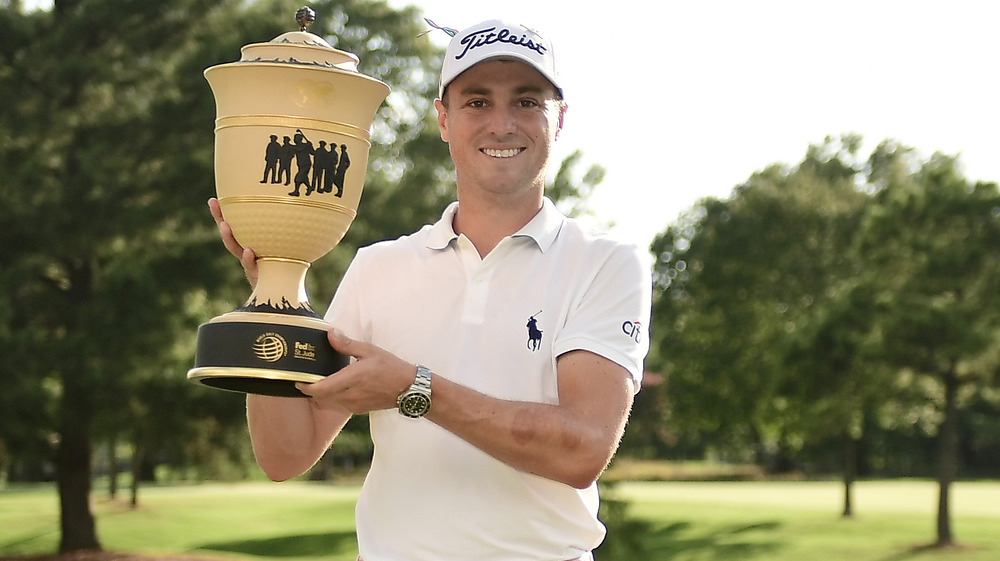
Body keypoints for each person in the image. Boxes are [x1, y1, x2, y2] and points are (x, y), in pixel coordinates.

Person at [209, 18, 651, 561]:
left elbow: (582, 450)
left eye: (528, 101)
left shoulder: (606, 264)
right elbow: (286, 454)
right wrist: (278, 289)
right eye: (477, 102)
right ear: (443, 119)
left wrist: (411, 388)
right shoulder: (378, 267)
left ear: (560, 118)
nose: (502, 123)